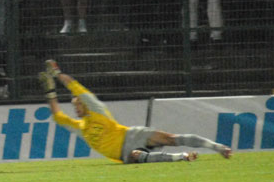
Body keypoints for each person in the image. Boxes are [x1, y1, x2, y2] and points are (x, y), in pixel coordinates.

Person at [39, 59, 232, 163]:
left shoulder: (98, 111)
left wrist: (56, 74)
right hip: (124, 154)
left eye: (78, 104)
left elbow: (75, 86)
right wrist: (50, 91)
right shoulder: (80, 127)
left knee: (171, 139)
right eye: (74, 106)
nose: (76, 107)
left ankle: (218, 147)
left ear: (85, 104)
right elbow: (58, 116)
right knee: (138, 156)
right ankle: (181, 157)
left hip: (132, 134)